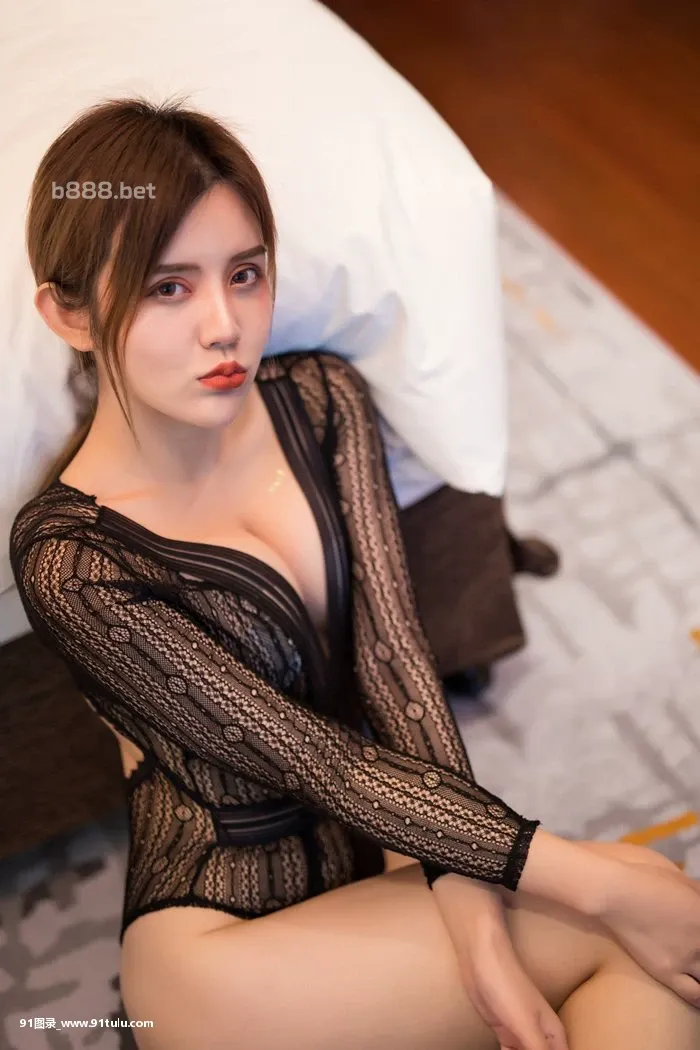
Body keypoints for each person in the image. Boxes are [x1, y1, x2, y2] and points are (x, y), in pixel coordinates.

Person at [9, 96, 700, 1050]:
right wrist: (593, 882)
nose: (225, 326)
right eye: (169, 287)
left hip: (384, 854)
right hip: (222, 951)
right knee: (640, 906)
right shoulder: (69, 560)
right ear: (70, 314)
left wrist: (477, 928)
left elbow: (397, 669)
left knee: (641, 937)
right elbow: (317, 760)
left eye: (245, 274)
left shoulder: (322, 398)